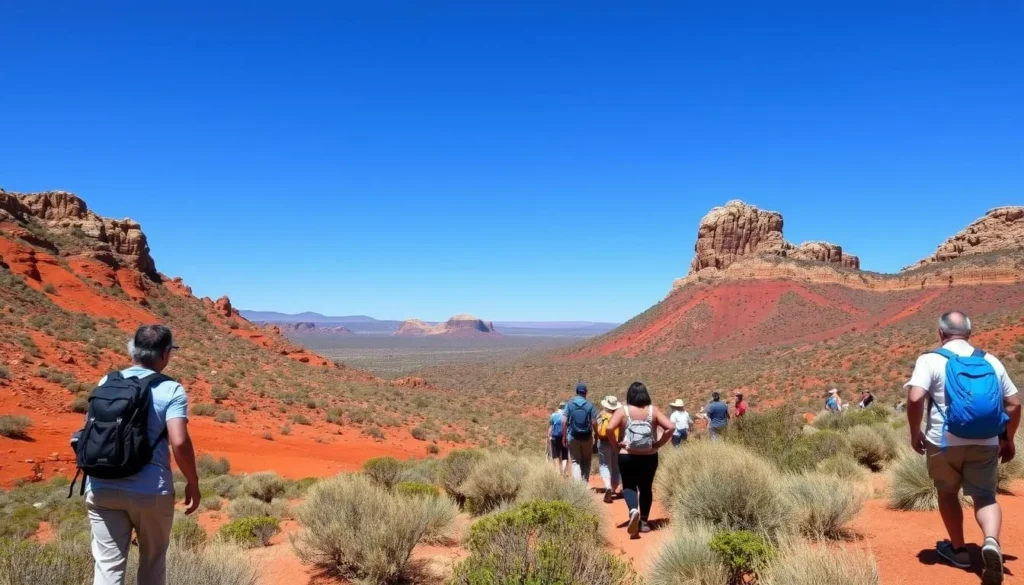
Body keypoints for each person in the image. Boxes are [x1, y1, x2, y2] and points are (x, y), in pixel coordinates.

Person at [905, 311, 1020, 584]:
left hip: (942, 441)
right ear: (969, 333)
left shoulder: (930, 360)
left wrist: (914, 432)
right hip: (986, 441)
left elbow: (915, 397)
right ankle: (991, 541)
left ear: (940, 333)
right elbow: (1014, 403)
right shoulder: (990, 360)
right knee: (985, 496)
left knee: (947, 493)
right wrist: (1008, 438)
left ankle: (958, 551)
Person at [85, 325, 200, 585]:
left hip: (102, 486)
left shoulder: (107, 381)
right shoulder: (171, 389)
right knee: (152, 564)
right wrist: (193, 482)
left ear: (132, 349)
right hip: (150, 490)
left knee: (107, 569)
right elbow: (179, 442)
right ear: (166, 353)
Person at [608, 382, 674, 538]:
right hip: (649, 455)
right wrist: (658, 444)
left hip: (627, 455)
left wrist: (616, 446)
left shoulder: (622, 411)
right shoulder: (653, 411)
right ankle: (644, 522)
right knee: (646, 487)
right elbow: (670, 427)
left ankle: (633, 510)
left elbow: (610, 428)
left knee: (629, 485)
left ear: (630, 395)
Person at [562, 382, 599, 483]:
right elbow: (594, 422)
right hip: (587, 437)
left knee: (575, 462)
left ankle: (578, 488)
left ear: (577, 392)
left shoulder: (569, 404)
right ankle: (584, 484)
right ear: (585, 393)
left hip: (573, 436)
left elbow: (564, 421)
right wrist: (596, 435)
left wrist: (564, 437)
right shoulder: (590, 405)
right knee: (586, 462)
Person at [597, 396, 623, 503]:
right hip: (616, 443)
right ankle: (617, 487)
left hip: (603, 442)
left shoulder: (602, 415)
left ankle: (608, 487)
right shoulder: (620, 416)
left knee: (604, 465)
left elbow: (597, 428)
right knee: (616, 465)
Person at [548, 401, 568, 476]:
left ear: (559, 407)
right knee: (565, 455)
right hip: (565, 437)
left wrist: (549, 436)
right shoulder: (567, 415)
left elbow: (551, 427)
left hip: (555, 437)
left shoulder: (553, 415)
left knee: (556, 455)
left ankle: (558, 473)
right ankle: (563, 471)